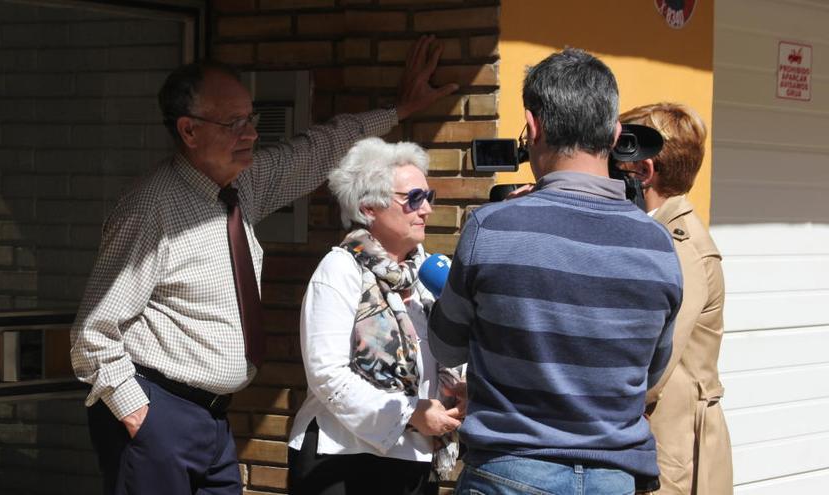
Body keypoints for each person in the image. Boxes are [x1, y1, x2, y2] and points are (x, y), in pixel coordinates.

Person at [70, 35, 458, 495]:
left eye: (250, 119)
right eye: (234, 123)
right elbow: (91, 334)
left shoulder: (243, 185)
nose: (251, 133)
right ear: (189, 130)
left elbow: (318, 150)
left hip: (210, 419)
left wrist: (397, 111)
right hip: (159, 411)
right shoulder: (150, 210)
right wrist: (140, 414)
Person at [427, 48, 684, 495]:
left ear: (533, 127)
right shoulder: (658, 244)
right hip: (614, 477)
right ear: (615, 132)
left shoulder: (492, 228)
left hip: (509, 471)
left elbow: (445, 345)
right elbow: (651, 371)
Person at [286, 137, 465, 495]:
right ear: (369, 208)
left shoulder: (426, 275)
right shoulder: (340, 268)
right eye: (414, 198)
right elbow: (326, 373)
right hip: (341, 458)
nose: (426, 209)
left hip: (413, 458)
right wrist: (410, 413)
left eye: (429, 197)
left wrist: (458, 389)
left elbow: (437, 358)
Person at [619, 103, 733, 494]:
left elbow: (658, 363)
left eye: (617, 157)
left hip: (673, 446)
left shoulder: (681, 246)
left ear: (643, 172)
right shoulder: (659, 234)